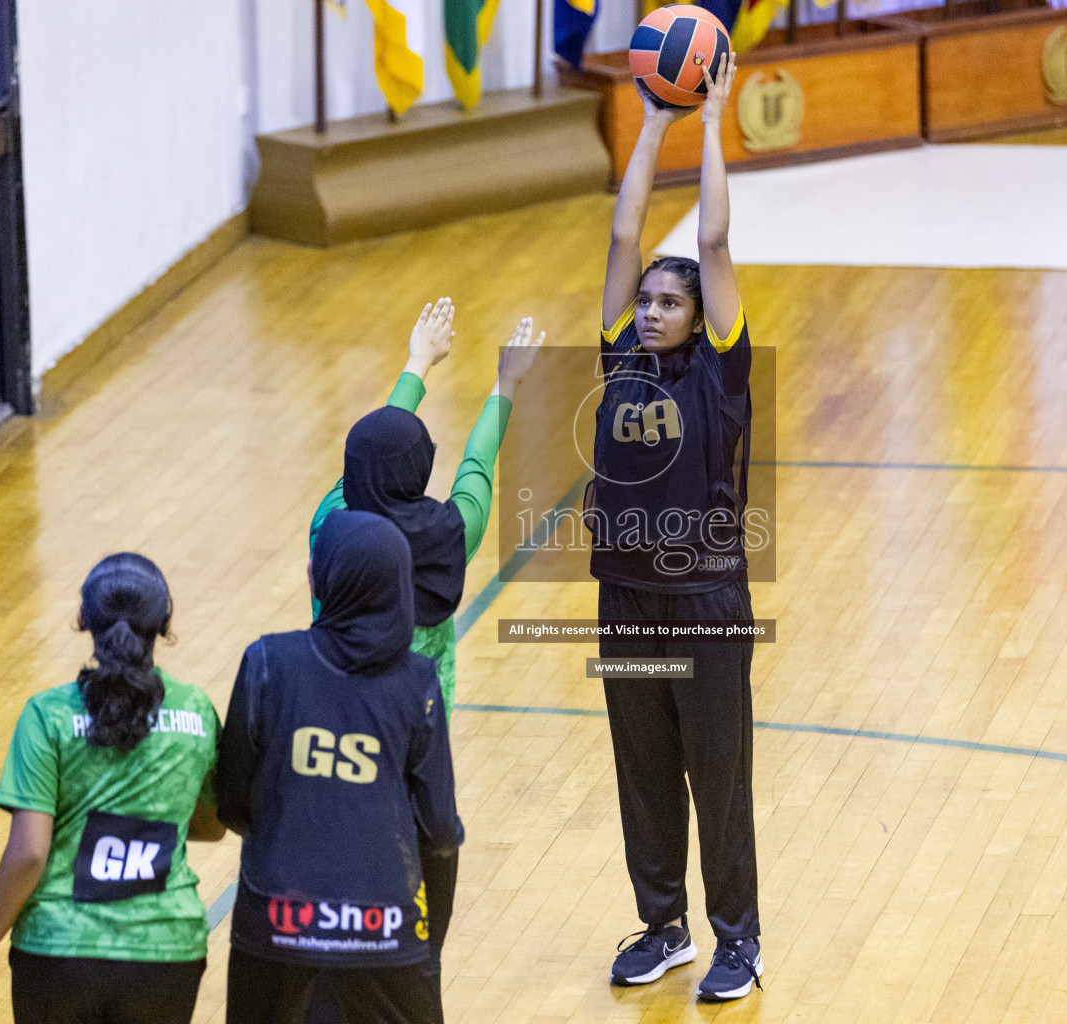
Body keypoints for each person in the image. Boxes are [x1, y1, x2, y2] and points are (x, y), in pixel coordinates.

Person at [585, 53, 762, 1002]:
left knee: (717, 775)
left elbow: (717, 239)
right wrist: (651, 115)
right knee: (644, 771)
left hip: (705, 597)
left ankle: (740, 940)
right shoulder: (621, 359)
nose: (649, 312)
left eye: (668, 303)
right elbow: (624, 231)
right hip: (627, 592)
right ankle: (664, 927)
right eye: (645, 300)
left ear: (700, 318)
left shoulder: (719, 373)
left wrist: (710, 114)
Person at [0, 554, 224, 1024]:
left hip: (58, 953)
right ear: (166, 623)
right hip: (166, 951)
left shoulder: (47, 716)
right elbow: (211, 825)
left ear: (82, 620)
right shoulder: (197, 711)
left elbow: (30, 853)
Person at [218, 510, 463, 1024]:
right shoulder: (419, 682)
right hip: (388, 932)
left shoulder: (267, 663)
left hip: (276, 929)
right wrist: (425, 948)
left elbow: (233, 803)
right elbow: (439, 829)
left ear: (328, 578)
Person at [310, 300, 544, 719]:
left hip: (335, 712)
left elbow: (371, 453)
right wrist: (506, 381)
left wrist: (419, 360)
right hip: (419, 721)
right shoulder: (453, 531)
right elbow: (479, 460)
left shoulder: (330, 520)